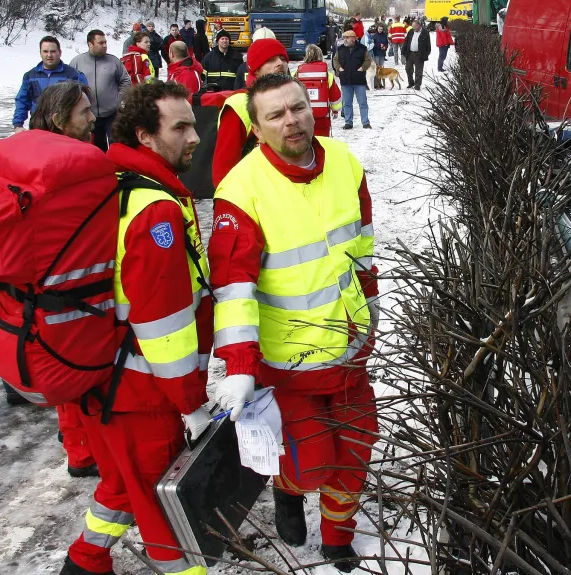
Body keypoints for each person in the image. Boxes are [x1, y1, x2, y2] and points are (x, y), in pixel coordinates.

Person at [209, 72, 379, 574]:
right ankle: (288, 491)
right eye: (275, 115)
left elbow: (363, 243)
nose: (292, 121)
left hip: (350, 348)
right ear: (257, 130)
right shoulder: (241, 190)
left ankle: (337, 540)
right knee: (314, 462)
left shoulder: (345, 162)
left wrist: (368, 304)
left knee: (355, 453)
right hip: (290, 362)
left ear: (312, 106)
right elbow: (234, 290)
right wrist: (239, 365)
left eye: (297, 107)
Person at [59, 81, 214, 575]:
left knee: (122, 485)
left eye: (193, 123)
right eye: (181, 127)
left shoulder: (114, 180)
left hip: (99, 382)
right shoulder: (156, 210)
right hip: (142, 393)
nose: (195, 137)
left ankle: (85, 561)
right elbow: (164, 327)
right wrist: (191, 403)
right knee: (166, 518)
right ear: (146, 137)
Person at [24, 81, 102, 477]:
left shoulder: (33, 158)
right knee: (79, 377)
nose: (93, 118)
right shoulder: (67, 168)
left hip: (46, 292)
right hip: (70, 292)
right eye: (84, 113)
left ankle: (77, 446)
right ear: (59, 121)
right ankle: (82, 453)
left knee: (70, 381)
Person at [213, 38, 290, 186]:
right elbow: (224, 164)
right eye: (270, 60)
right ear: (256, 69)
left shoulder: (291, 99)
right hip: (252, 192)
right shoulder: (240, 103)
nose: (280, 63)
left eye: (282, 58)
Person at [70, 29, 132, 152]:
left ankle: (117, 169)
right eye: (101, 43)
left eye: (105, 42)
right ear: (90, 44)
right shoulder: (77, 62)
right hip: (89, 115)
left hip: (112, 114)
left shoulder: (113, 61)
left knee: (117, 146)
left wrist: (118, 100)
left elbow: (125, 81)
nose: (105, 46)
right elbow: (70, 86)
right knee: (96, 148)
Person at [14, 36, 88, 133]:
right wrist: (18, 125)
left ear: (59, 52)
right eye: (45, 51)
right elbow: (22, 101)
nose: (49, 55)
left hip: (64, 128)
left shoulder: (74, 76)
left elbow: (84, 103)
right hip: (38, 126)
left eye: (53, 51)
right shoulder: (30, 76)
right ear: (40, 53)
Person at [294, 44, 342, 136]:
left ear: (306, 55)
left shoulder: (296, 74)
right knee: (322, 145)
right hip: (323, 119)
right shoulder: (328, 75)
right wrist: (335, 111)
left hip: (301, 119)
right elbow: (335, 97)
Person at [334, 30, 371, 129]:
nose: (345, 40)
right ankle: (348, 122)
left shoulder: (363, 49)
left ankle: (365, 122)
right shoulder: (340, 49)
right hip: (345, 80)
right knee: (347, 103)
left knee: (362, 102)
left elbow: (368, 60)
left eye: (347, 37)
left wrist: (362, 68)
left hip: (359, 80)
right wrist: (339, 68)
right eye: (344, 37)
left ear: (354, 38)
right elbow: (335, 60)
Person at [403, 17, 431, 90]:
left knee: (418, 71)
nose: (413, 28)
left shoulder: (425, 32)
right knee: (408, 69)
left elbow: (428, 45)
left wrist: (426, 54)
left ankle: (417, 85)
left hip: (419, 54)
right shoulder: (411, 31)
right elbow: (406, 42)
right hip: (410, 53)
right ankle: (411, 83)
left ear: (419, 25)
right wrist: (403, 52)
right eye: (412, 26)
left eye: (414, 26)